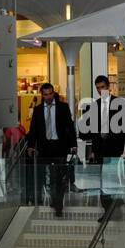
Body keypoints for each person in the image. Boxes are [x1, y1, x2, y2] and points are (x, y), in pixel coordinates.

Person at [80, 75, 125, 222]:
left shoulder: (119, 103)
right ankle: (111, 207)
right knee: (103, 180)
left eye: (102, 87)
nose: (100, 90)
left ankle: (112, 208)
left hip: (115, 146)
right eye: (97, 88)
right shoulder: (94, 105)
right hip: (100, 147)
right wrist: (93, 151)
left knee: (109, 177)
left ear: (108, 87)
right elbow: (92, 133)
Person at [26, 83, 75, 217]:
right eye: (45, 94)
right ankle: (51, 199)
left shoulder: (63, 107)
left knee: (58, 177)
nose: (48, 97)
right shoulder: (38, 110)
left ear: (53, 93)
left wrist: (73, 145)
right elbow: (33, 130)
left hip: (59, 146)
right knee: (45, 176)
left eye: (50, 94)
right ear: (42, 95)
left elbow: (70, 127)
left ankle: (58, 204)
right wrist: (31, 145)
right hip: (44, 147)